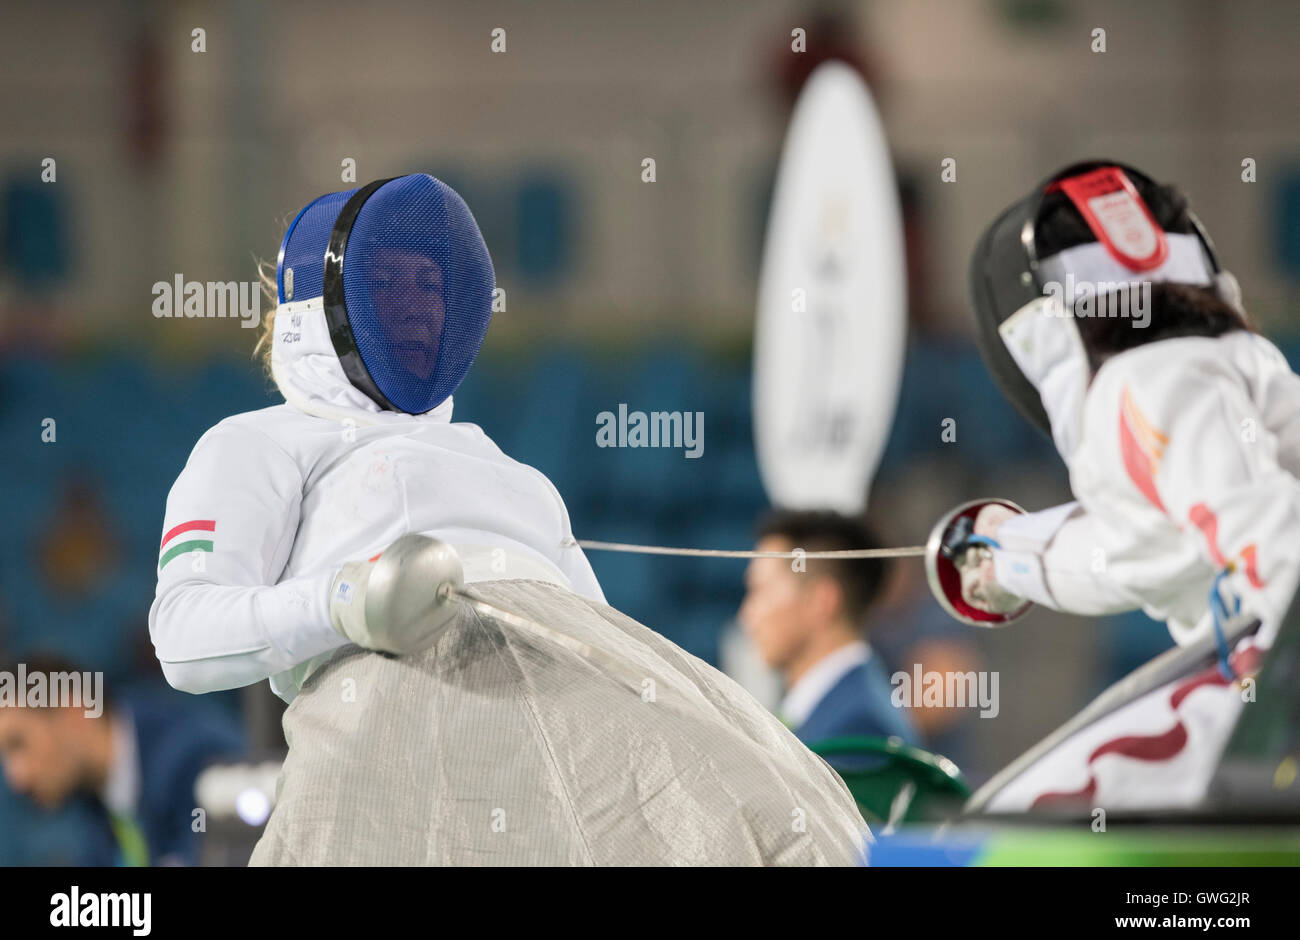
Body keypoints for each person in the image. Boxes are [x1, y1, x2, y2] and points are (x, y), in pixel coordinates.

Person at [149, 174, 868, 865]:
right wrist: (344, 601)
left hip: (563, 748)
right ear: (318, 310)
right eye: (394, 285)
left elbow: (600, 641)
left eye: (433, 288)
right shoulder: (257, 442)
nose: (420, 307)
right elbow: (182, 637)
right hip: (392, 743)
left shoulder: (507, 469)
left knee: (783, 804)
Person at [957, 161, 1300, 809]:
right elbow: (1146, 550)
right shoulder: (1235, 366)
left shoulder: (1148, 382)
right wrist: (1006, 556)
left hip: (1276, 671)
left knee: (1007, 821)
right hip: (1264, 650)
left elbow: (1272, 538)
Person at [0, 653, 245, 865]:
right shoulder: (93, 806)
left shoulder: (195, 757)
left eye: (18, 744)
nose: (17, 779)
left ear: (74, 709)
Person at [740, 510, 917, 747]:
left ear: (820, 601)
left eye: (760, 590)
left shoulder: (860, 727)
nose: (747, 615)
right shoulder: (834, 708)